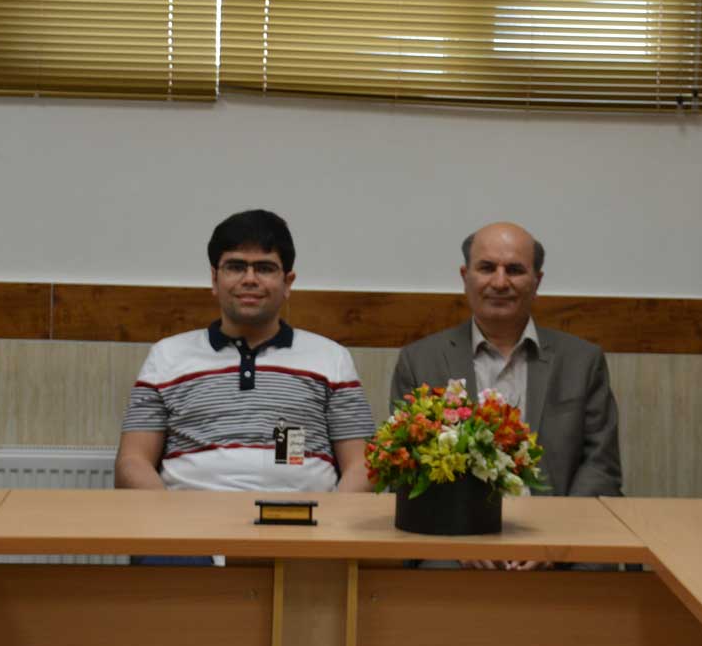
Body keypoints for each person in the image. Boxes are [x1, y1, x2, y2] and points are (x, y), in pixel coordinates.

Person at [119, 208, 374, 495]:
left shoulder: (332, 358)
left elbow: (363, 464)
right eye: (236, 266)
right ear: (214, 279)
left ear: (288, 282)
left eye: (264, 268)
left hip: (304, 518)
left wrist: (334, 519)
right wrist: (168, 518)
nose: (250, 279)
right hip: (191, 518)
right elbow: (132, 461)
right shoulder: (166, 356)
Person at [391, 221, 622, 508]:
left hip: (558, 524)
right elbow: (406, 467)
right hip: (455, 527)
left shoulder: (582, 362)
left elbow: (601, 466)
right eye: (487, 268)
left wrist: (559, 527)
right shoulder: (420, 361)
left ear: (537, 282)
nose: (500, 283)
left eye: (514, 270)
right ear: (465, 277)